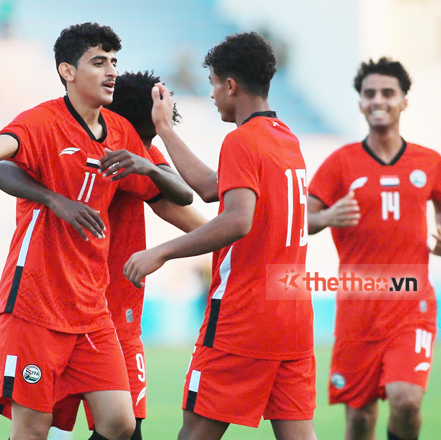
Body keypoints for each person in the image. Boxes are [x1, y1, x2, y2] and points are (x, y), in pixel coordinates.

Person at [0, 23, 193, 440]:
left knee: (120, 423)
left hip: (91, 309)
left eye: (114, 61)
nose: (111, 71)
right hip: (35, 304)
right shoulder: (43, 122)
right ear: (67, 71)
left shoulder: (121, 131)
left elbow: (182, 196)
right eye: (99, 62)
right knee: (33, 429)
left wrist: (149, 165)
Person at [0, 70, 208, 440]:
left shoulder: (141, 159)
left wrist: (233, 237)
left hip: (112, 314)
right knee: (47, 427)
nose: (149, 148)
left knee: (123, 427)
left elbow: (187, 209)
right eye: (147, 137)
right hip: (68, 308)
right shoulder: (89, 150)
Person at [124, 32, 317, 440]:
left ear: (230, 86)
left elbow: (236, 220)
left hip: (243, 318)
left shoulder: (241, 141)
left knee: (195, 433)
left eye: (213, 83)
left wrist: (162, 251)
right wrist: (166, 130)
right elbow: (213, 188)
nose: (211, 94)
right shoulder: (286, 139)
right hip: (293, 316)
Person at [307, 57, 441, 440]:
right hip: (358, 310)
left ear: (404, 101)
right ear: (359, 102)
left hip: (411, 305)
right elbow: (302, 220)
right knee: (360, 420)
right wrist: (327, 218)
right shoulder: (340, 163)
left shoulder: (429, 161)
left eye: (388, 93)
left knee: (406, 401)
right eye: (369, 93)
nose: (378, 100)